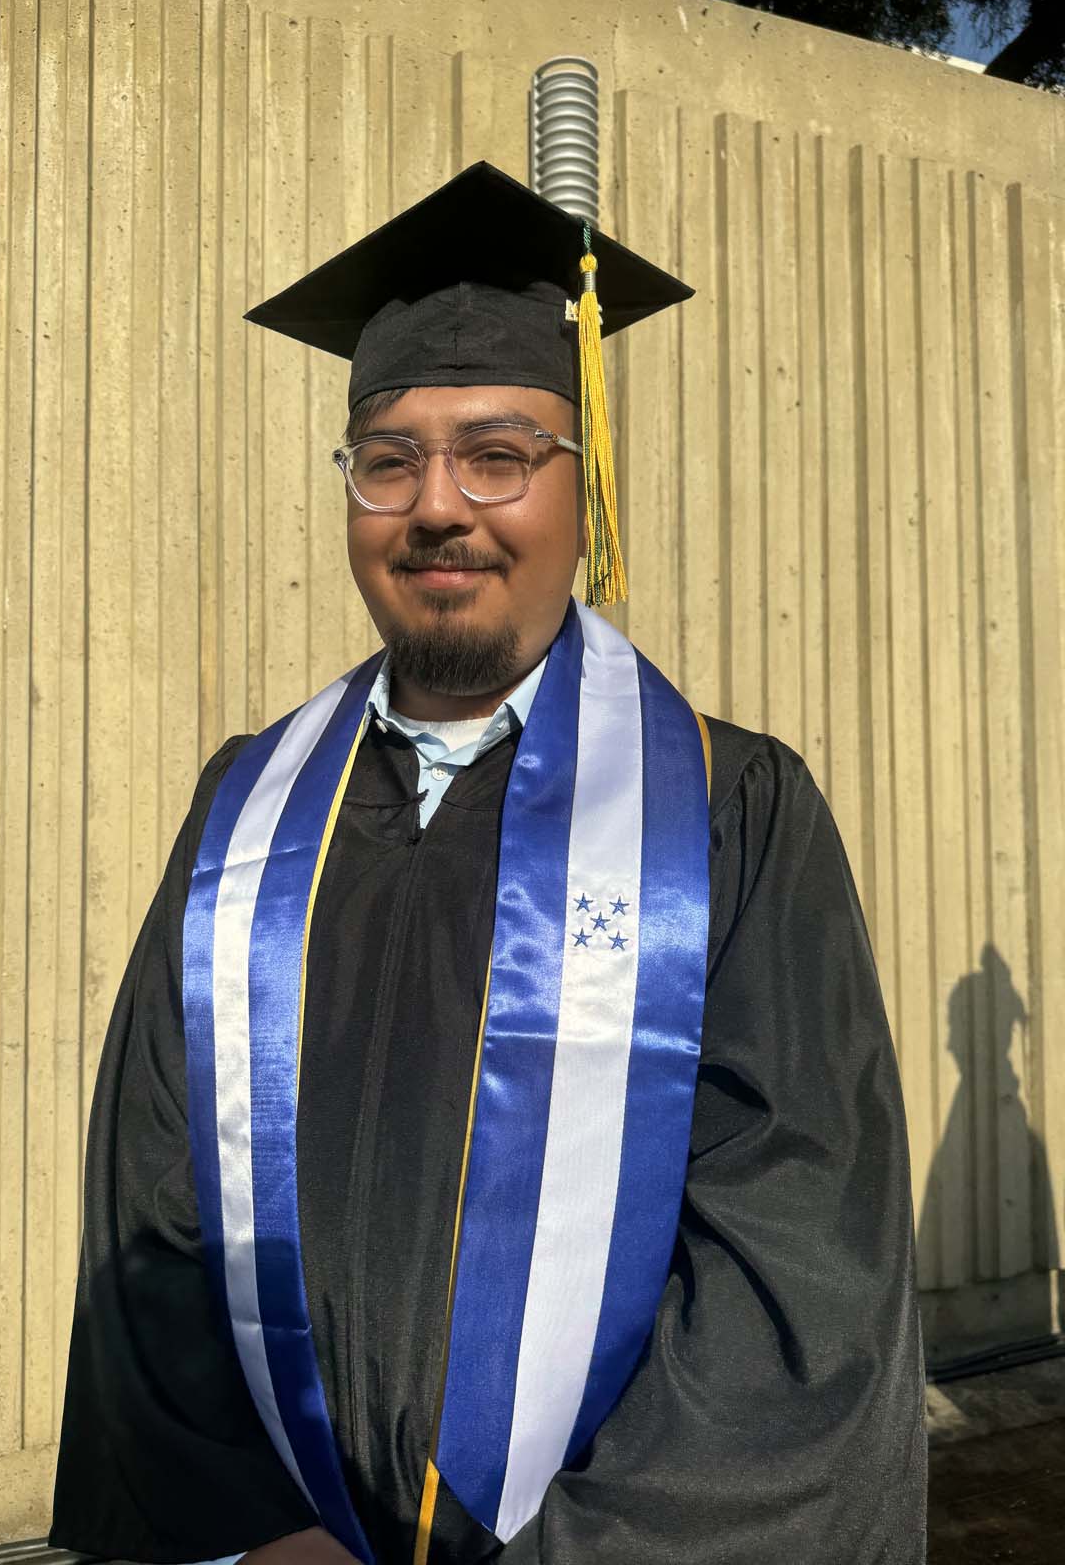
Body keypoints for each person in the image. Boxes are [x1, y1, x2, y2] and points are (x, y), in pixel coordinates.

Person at [50, 162, 927, 1565]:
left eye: (499, 452)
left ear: (586, 490)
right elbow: (152, 1205)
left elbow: (795, 1258)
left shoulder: (728, 811)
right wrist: (253, 1530)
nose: (439, 506)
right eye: (388, 459)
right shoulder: (249, 810)